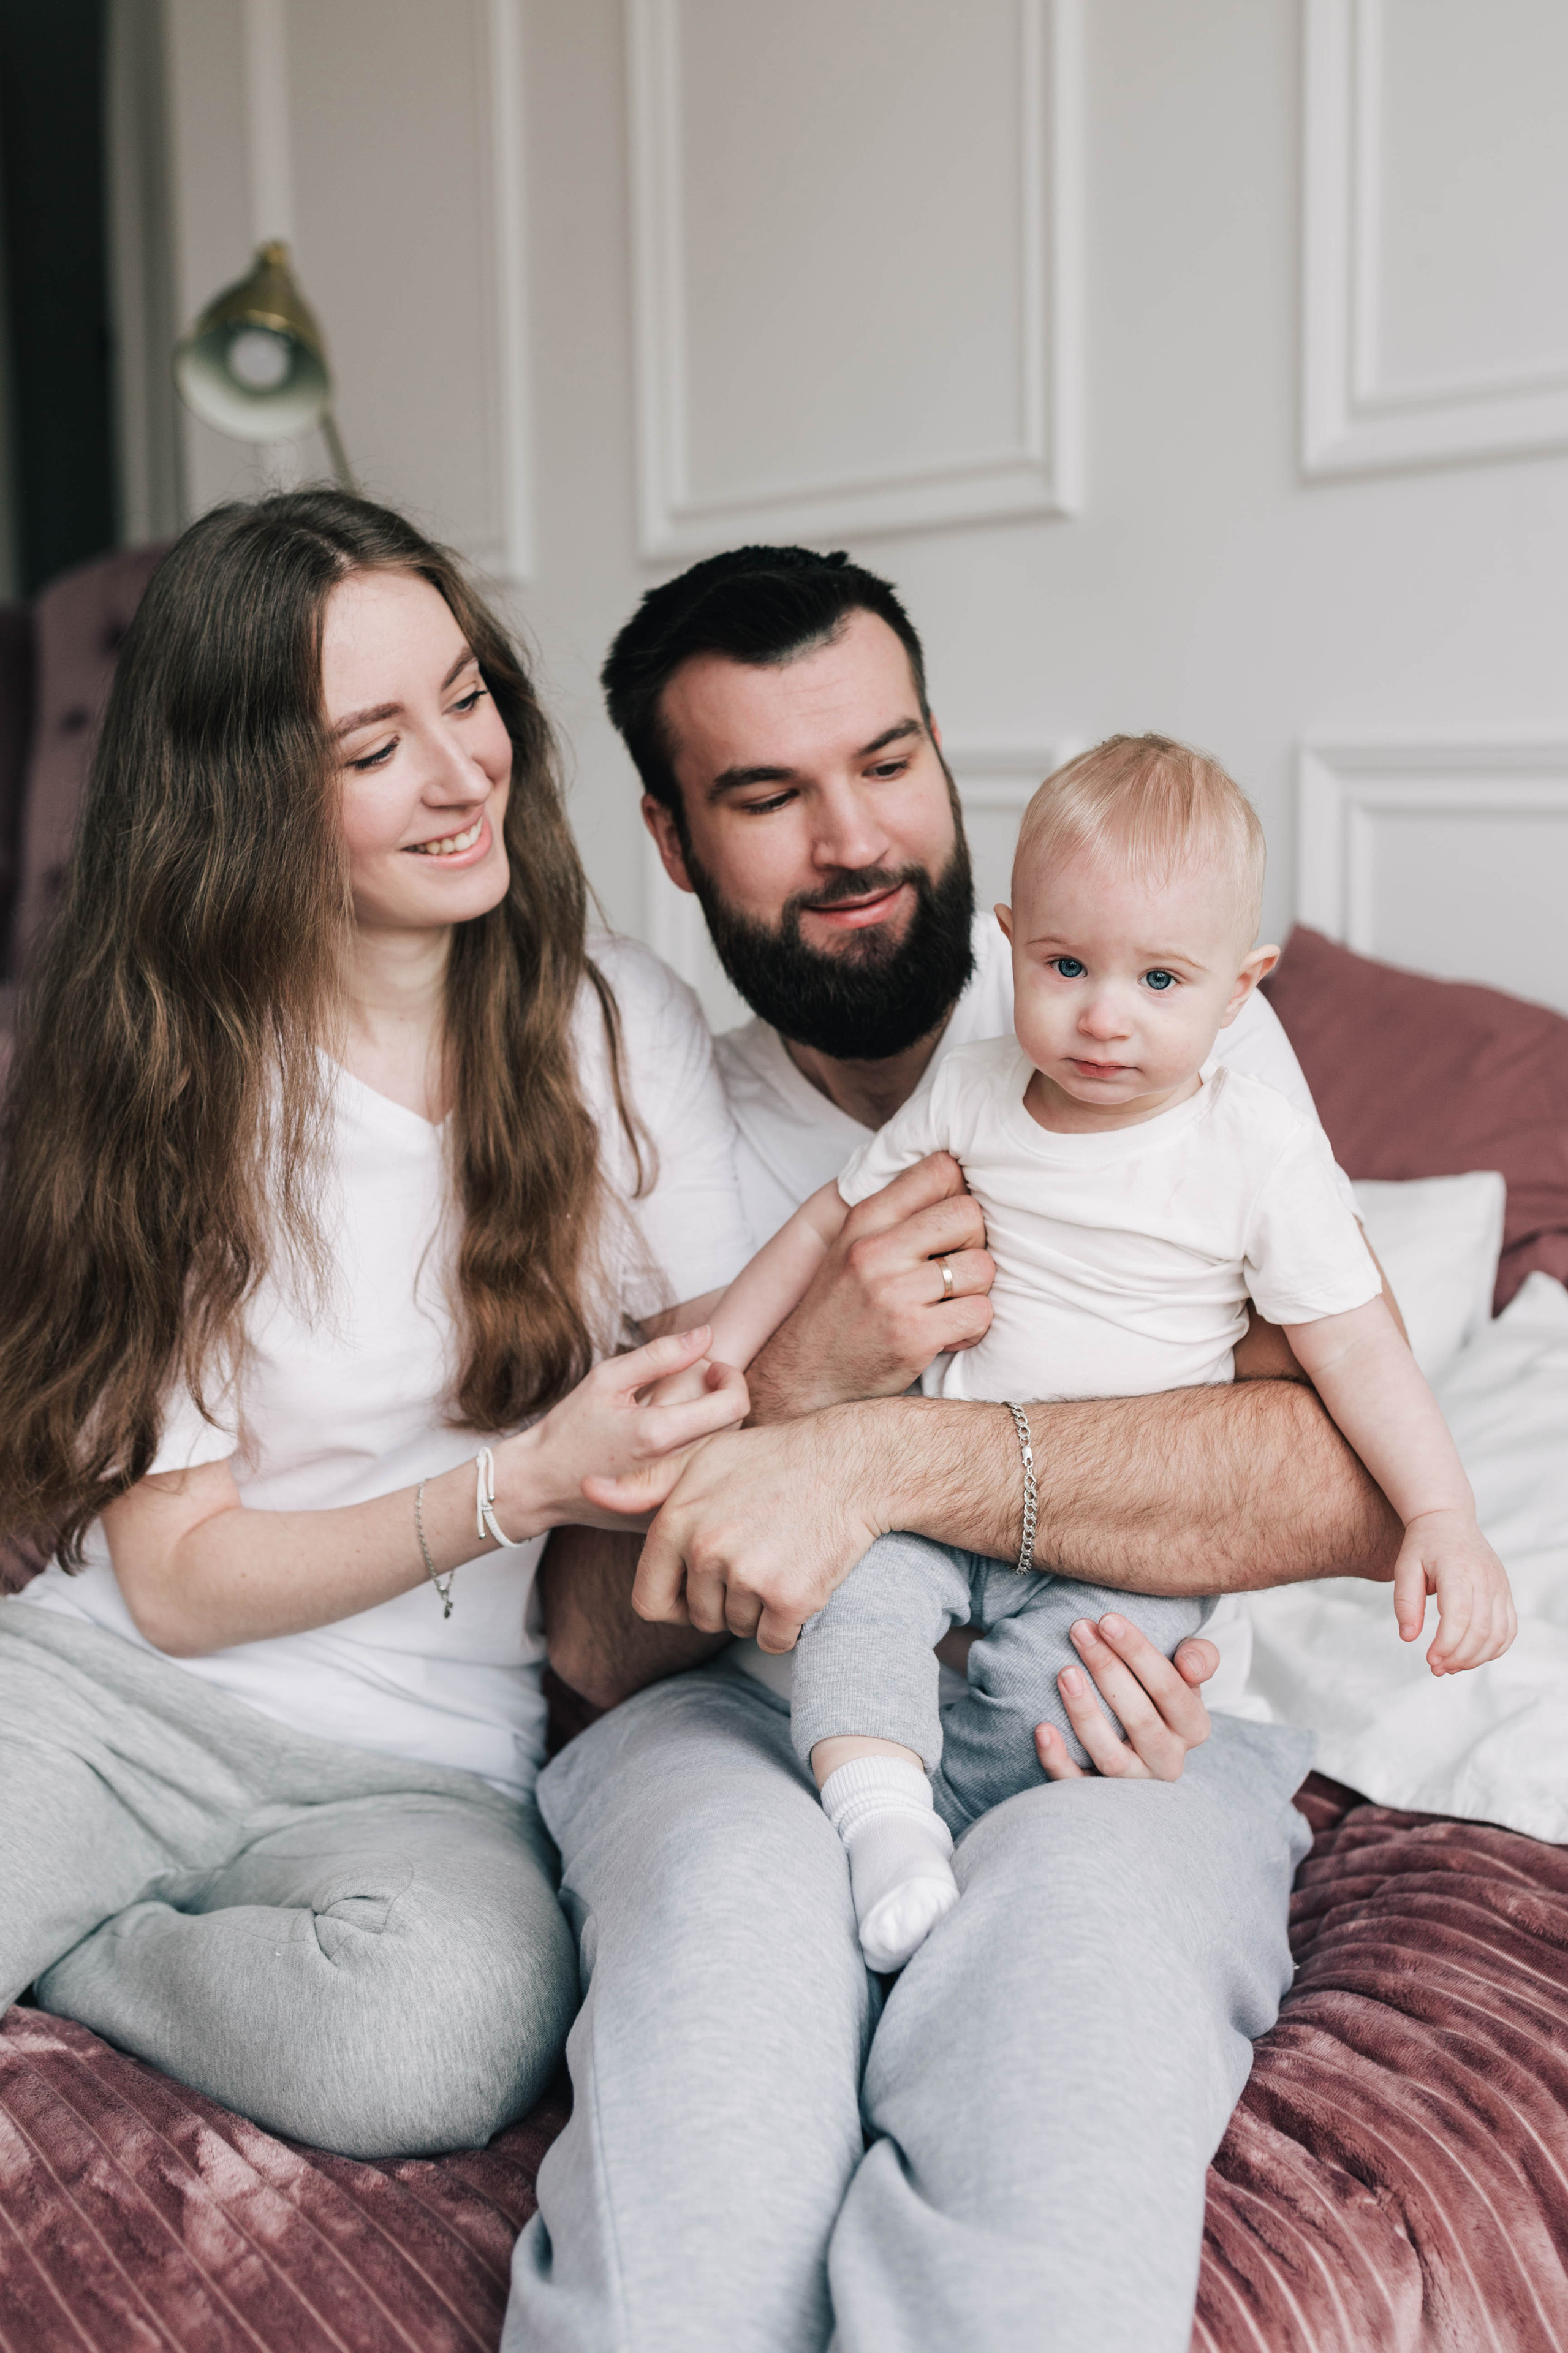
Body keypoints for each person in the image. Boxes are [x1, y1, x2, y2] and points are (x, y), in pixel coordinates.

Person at [512, 550, 1406, 2351]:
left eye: (888, 760)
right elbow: (591, 1642)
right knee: (704, 2140)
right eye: (767, 794)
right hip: (738, 1732)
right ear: (671, 840)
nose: (855, 838)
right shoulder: (637, 1110)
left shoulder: (1176, 1026)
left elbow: (1346, 1486)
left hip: (1109, 1729)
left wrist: (887, 1464)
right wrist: (804, 1376)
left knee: (1051, 2171)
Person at [0, 490, 758, 2161]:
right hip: (113, 1703)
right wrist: (519, 1487)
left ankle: (87, 1952)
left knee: (438, 2043)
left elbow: (732, 1364)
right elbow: (178, 1587)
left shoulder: (615, 1025)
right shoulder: (174, 1079)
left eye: (466, 698)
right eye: (372, 747)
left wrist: (851, 1256)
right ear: (249, 800)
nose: (461, 773)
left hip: (420, 1766)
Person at [656, 731, 1513, 1972]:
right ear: (1008, 943)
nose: (1104, 1016)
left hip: (1120, 1544)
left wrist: (1442, 1517)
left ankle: (956, 1839)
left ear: (1240, 989)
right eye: (1064, 966)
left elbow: (1361, 1349)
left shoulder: (1258, 1150)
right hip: (928, 1510)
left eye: (1160, 980)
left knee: (1070, 1696)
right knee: (854, 1605)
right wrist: (725, 1360)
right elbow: (823, 1224)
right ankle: (881, 1818)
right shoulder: (972, 1091)